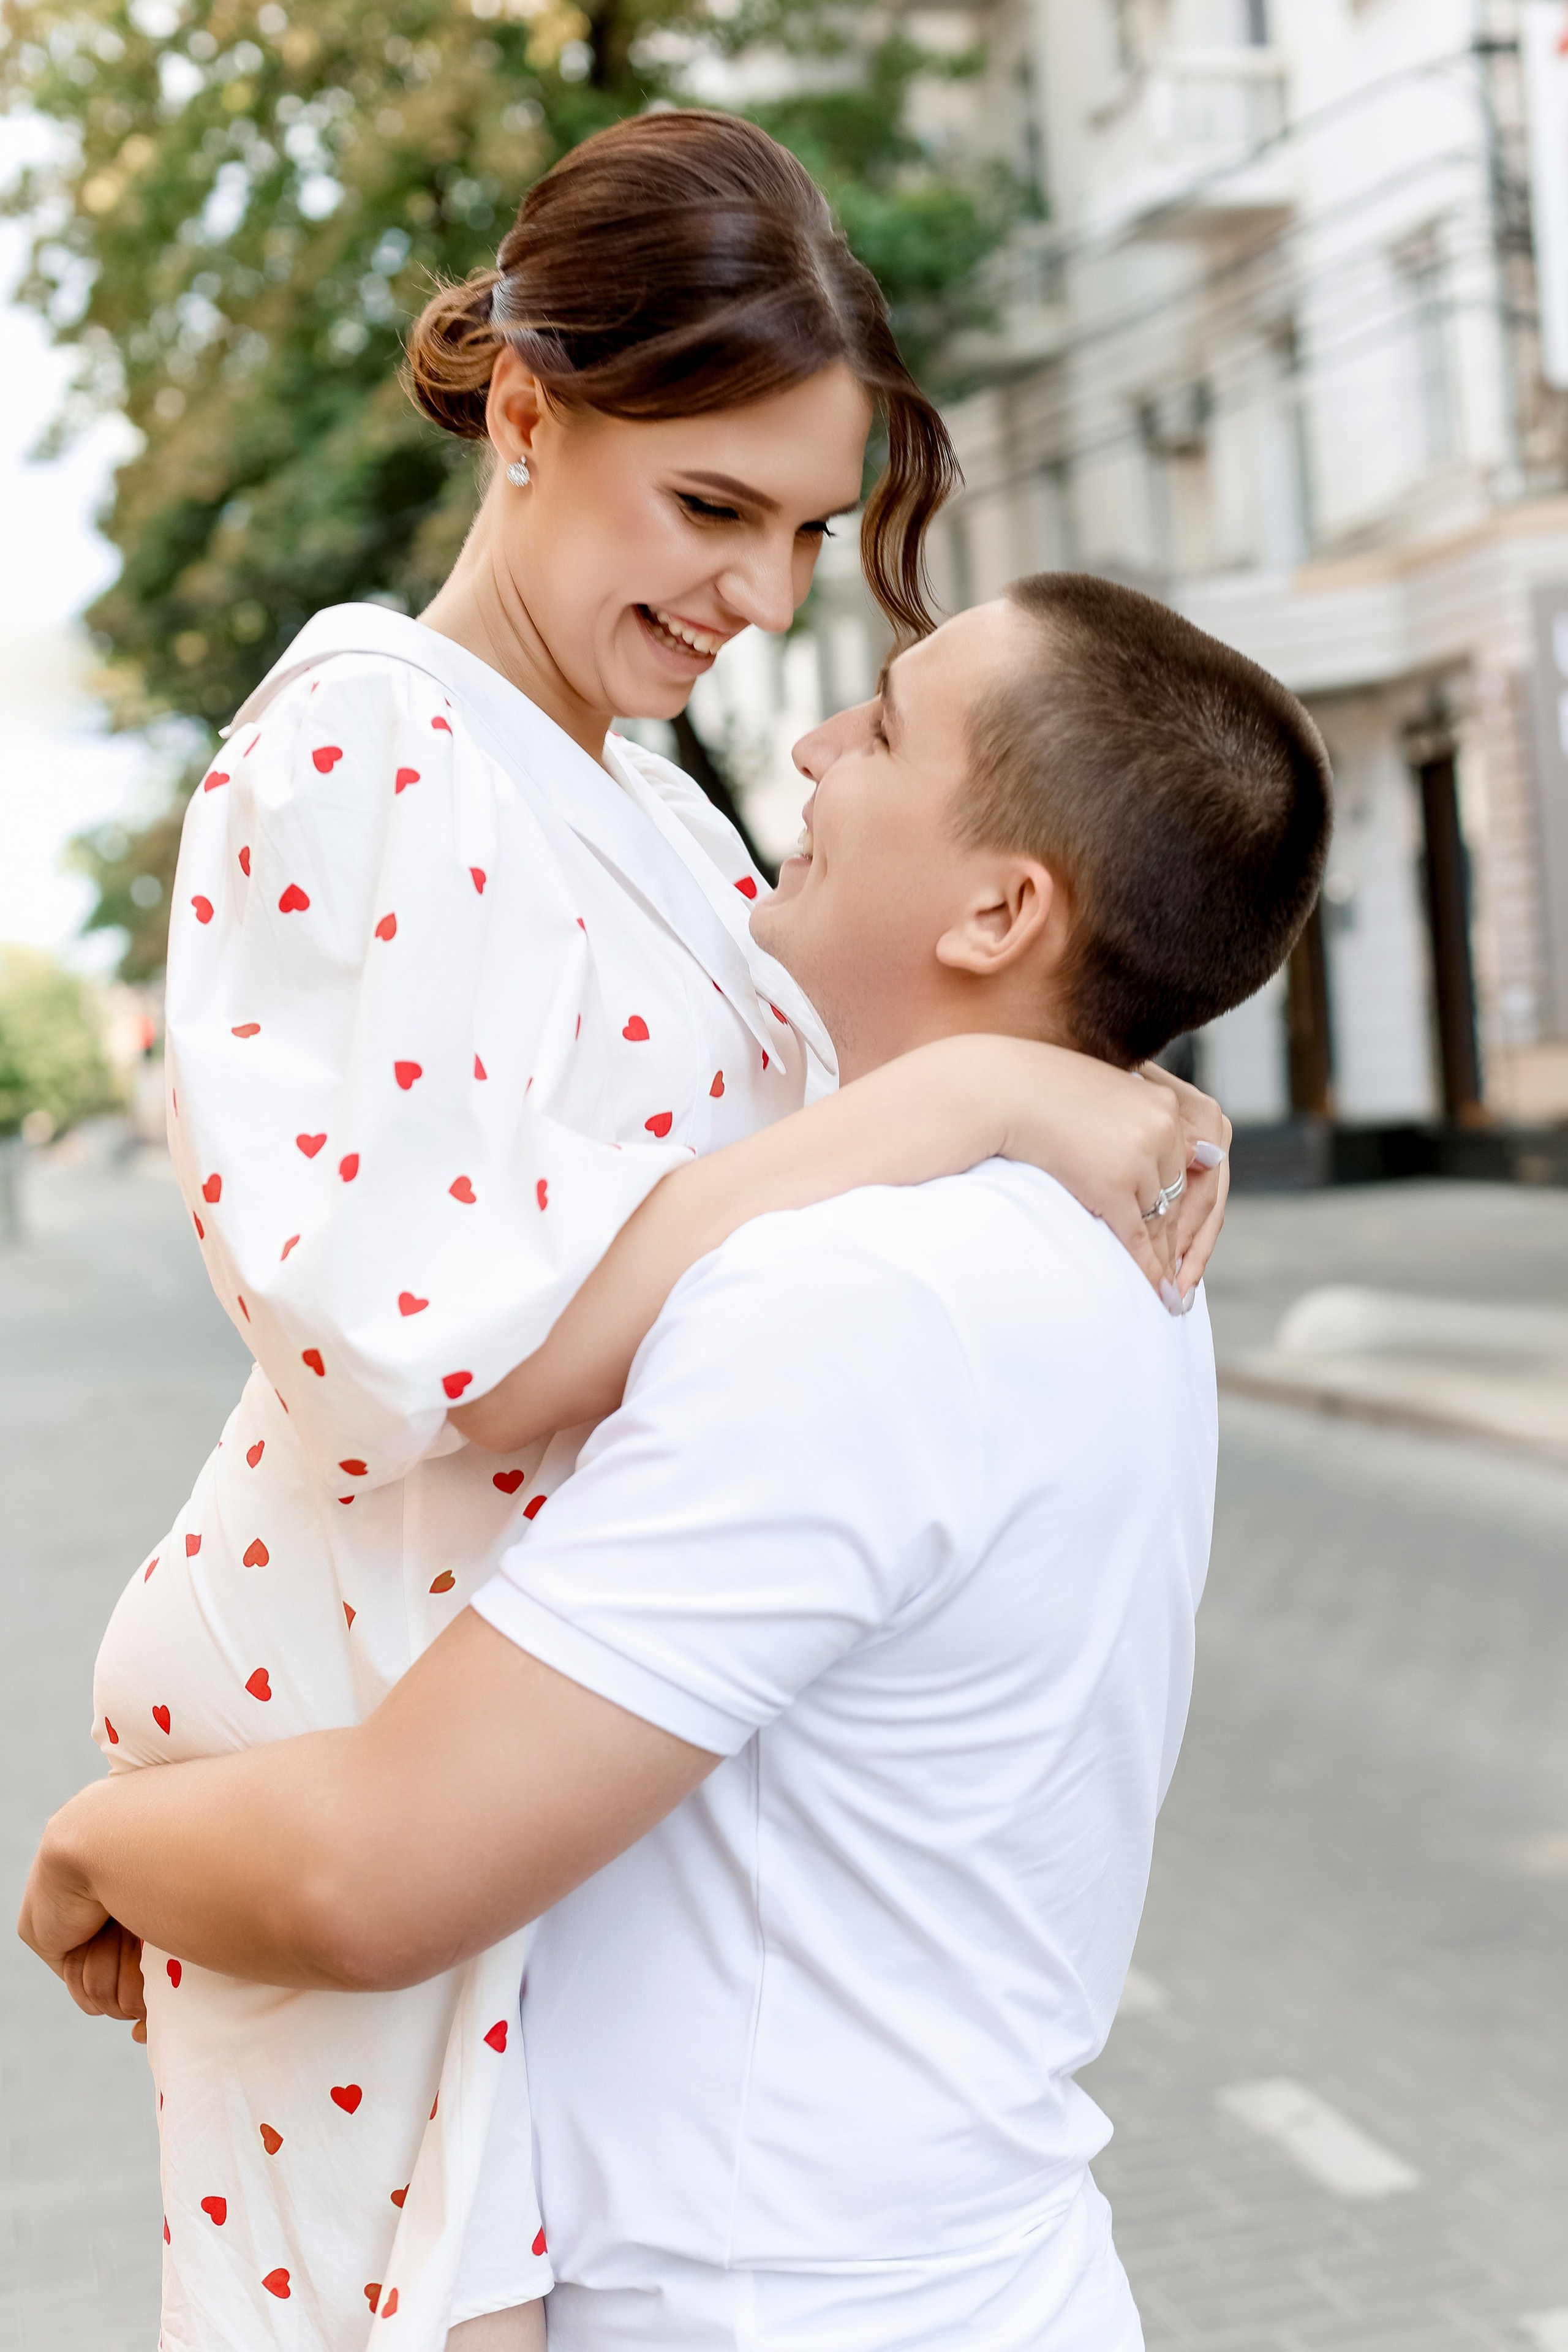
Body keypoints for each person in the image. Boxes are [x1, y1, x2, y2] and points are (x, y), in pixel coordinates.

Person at [63, 107, 1226, 2352]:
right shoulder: (368, 741)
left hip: (524, 1813)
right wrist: (989, 1089)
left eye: (805, 532)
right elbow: (419, 1349)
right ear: (524, 409)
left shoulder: (644, 798)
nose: (764, 601)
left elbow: (801, 1181)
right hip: (370, 1747)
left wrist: (1060, 1074)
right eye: (712, 508)